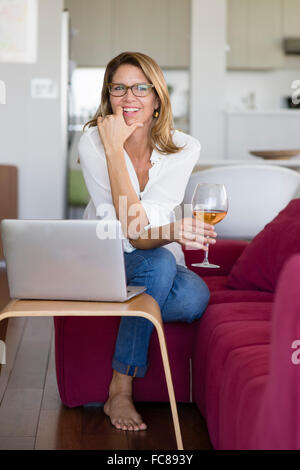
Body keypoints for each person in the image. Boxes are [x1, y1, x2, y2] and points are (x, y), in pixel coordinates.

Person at [78, 51, 217, 432]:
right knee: (160, 263)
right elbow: (131, 230)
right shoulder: (93, 142)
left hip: (148, 254)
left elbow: (140, 232)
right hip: (108, 256)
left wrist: (163, 234)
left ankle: (129, 307)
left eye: (141, 87)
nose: (129, 98)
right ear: (108, 96)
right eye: (119, 88)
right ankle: (120, 387)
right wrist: (112, 149)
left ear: (157, 98)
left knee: (193, 297)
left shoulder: (184, 147)